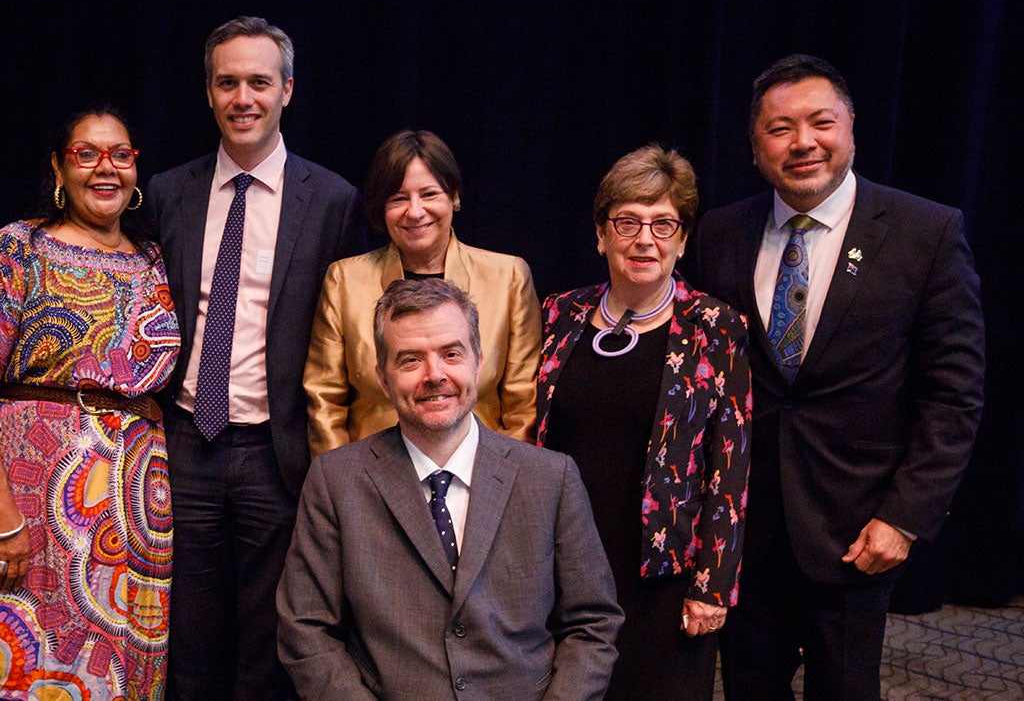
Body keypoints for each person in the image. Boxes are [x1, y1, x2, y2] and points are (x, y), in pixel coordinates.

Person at [691, 54, 986, 699]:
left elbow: (954, 394)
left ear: (851, 127)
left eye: (821, 122)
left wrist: (904, 519)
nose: (803, 143)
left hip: (858, 531)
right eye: (780, 129)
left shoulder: (926, 232)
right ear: (754, 145)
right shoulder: (720, 233)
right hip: (747, 529)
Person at [144, 15, 368, 700]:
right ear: (210, 93)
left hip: (279, 449)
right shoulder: (166, 191)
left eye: (259, 82)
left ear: (288, 90)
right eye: (228, 82)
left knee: (268, 635)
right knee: (187, 627)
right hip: (185, 440)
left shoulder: (332, 199)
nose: (244, 97)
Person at [277, 278, 623, 700]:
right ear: (383, 380)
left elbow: (593, 625)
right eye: (409, 360)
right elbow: (305, 630)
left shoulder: (551, 478)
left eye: (451, 354)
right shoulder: (336, 482)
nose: (434, 375)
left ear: (478, 362)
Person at [0, 107, 179, 700]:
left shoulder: (154, 260)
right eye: (87, 154)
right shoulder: (17, 248)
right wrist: (0, 513)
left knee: (130, 669)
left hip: (139, 501)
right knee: (42, 670)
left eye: (120, 155)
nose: (106, 168)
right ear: (58, 166)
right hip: (41, 495)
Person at [534, 145, 751, 700]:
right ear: (602, 233)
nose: (644, 238)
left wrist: (712, 584)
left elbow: (732, 464)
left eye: (663, 224)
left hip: (664, 569)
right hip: (564, 561)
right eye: (627, 221)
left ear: (682, 238)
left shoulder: (714, 326)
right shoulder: (560, 313)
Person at [304, 129, 541, 456]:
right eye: (398, 199)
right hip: (371, 478)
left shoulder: (508, 278)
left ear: (454, 196)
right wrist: (343, 488)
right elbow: (324, 400)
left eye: (429, 194)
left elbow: (523, 407)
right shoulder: (344, 280)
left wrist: (502, 489)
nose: (414, 212)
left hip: (480, 478)